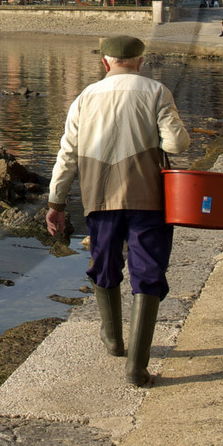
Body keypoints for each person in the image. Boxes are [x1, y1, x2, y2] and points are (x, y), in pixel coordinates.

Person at [46, 35, 191, 387]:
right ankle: (137, 367)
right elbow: (177, 144)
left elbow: (68, 155)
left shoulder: (84, 98)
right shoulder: (156, 92)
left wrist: (56, 202)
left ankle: (113, 340)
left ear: (105, 62)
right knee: (148, 271)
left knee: (105, 264)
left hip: (100, 197)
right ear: (140, 62)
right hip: (148, 197)